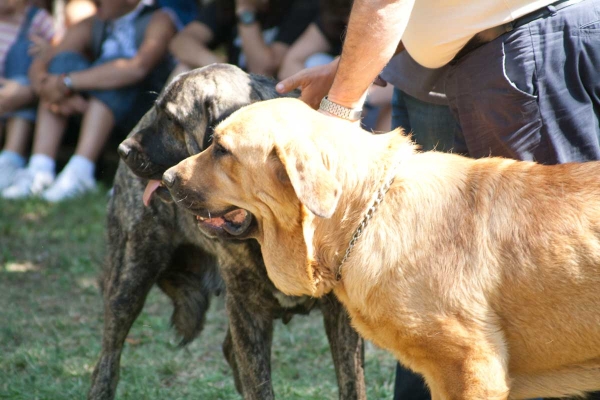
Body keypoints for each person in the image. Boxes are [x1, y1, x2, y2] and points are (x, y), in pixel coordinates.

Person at [276, 0, 600, 398]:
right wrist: (349, 69)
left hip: (516, 48)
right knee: (436, 321)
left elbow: (383, 2)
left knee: (562, 299)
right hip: (444, 63)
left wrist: (336, 113)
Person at [276, 0, 600, 164]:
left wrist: (336, 114)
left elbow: (383, 3)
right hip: (521, 51)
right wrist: (342, 67)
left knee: (545, 240)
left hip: (526, 50)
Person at [2, 0, 177, 201]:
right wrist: (46, 85)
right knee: (64, 61)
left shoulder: (159, 20)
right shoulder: (93, 22)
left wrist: (67, 82)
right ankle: (40, 167)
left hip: (139, 114)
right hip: (89, 108)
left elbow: (136, 69)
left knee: (115, 68)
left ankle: (81, 170)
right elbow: (49, 58)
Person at [168, 0, 318, 78]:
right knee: (185, 68)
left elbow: (263, 69)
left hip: (268, 95)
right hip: (232, 82)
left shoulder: (298, 7)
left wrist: (246, 11)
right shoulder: (225, 5)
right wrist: (218, 65)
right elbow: (181, 42)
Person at [0, 0, 54, 191]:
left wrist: (50, 52)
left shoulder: (37, 19)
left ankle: (11, 157)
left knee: (25, 49)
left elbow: (63, 47)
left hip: (23, 90)